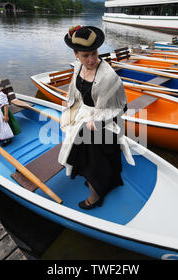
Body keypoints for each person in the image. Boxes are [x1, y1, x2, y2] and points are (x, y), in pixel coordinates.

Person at [58, 25, 135, 210]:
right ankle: (104, 182)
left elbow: (121, 107)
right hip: (86, 116)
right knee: (84, 152)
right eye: (86, 55)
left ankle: (96, 196)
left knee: (91, 161)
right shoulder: (78, 67)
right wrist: (73, 112)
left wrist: (97, 122)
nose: (92, 59)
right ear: (76, 54)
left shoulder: (108, 77)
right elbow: (76, 94)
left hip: (104, 121)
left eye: (94, 53)